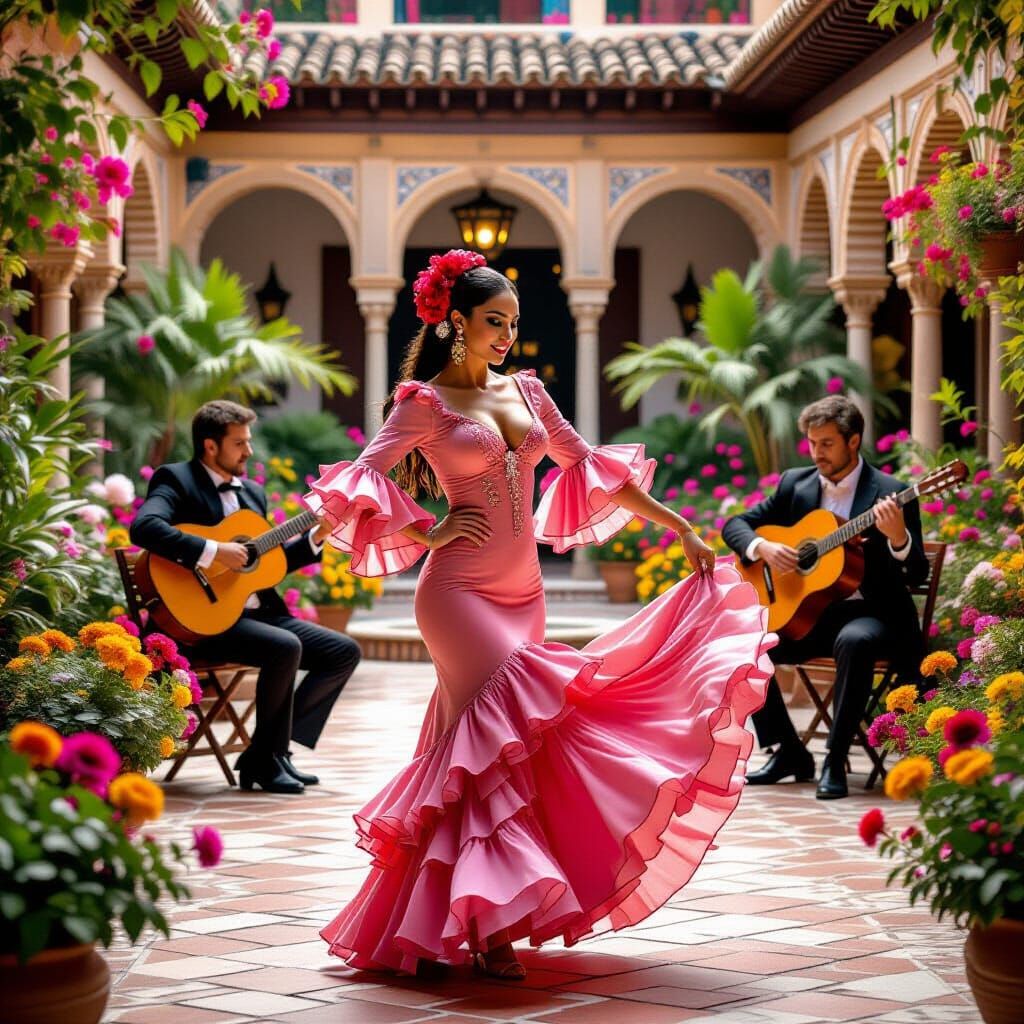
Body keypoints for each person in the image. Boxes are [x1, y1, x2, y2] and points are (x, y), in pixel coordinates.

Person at [304, 249, 773, 981]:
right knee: (502, 722)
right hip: (457, 594)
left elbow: (588, 465)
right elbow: (360, 477)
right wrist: (428, 532)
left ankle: (449, 918)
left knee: (490, 755)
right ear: (455, 321)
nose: (506, 337)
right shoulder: (422, 403)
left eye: (513, 324)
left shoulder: (527, 390)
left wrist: (677, 523)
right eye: (494, 322)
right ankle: (488, 934)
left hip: (524, 593)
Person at [130, 400, 362, 795]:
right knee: (284, 647)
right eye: (240, 443)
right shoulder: (176, 480)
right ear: (209, 446)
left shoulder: (252, 494)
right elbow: (144, 527)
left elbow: (267, 566)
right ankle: (265, 762)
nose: (249, 452)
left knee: (343, 652)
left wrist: (318, 534)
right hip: (203, 621)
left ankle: (272, 751)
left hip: (256, 614)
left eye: (248, 441)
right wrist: (213, 551)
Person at [722, 395, 929, 800]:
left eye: (827, 443)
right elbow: (737, 524)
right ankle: (788, 752)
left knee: (854, 641)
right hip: (811, 614)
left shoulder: (891, 493)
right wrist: (761, 547)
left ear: (853, 441)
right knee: (748, 643)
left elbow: (916, 572)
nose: (817, 453)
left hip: (873, 614)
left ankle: (834, 758)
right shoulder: (796, 484)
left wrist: (899, 538)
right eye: (813, 444)